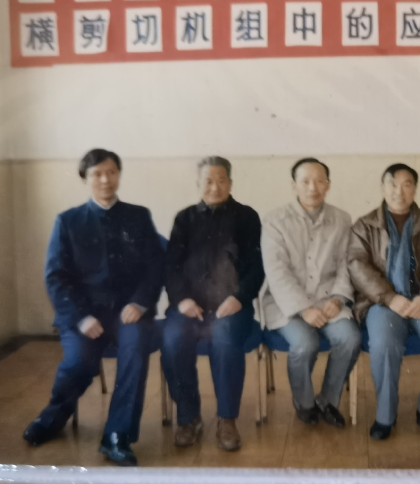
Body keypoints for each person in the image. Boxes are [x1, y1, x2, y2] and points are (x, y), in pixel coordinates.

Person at [22, 149, 163, 466]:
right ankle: (53, 417)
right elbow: (55, 277)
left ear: (118, 175)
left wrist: (140, 302)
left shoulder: (138, 216)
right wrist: (81, 317)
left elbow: (156, 267)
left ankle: (117, 436)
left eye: (111, 172)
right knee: (77, 363)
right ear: (85, 179)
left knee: (135, 352)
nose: (105, 180)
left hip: (129, 314)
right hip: (84, 316)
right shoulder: (68, 221)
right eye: (97, 174)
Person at [348, 163, 420, 441]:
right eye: (392, 184)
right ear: (382, 187)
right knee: (384, 343)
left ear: (415, 189)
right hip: (381, 304)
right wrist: (389, 297)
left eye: (407, 184)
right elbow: (358, 266)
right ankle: (385, 416)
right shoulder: (364, 226)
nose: (399, 191)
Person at [161, 156, 263, 452]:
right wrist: (182, 300)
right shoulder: (184, 218)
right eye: (208, 181)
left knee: (225, 337)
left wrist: (238, 298)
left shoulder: (247, 217)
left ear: (230, 183)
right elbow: (171, 267)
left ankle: (226, 419)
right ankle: (188, 418)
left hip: (231, 306)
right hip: (188, 307)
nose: (215, 187)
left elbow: (257, 266)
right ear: (198, 184)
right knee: (172, 339)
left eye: (221, 180)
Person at [261, 158, 361, 427]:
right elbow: (277, 272)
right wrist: (304, 308)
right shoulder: (274, 220)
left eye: (319, 181)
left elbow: (346, 265)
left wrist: (338, 298)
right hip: (287, 303)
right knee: (305, 344)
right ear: (294, 186)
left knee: (350, 338)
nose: (312, 188)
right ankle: (305, 403)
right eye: (305, 181)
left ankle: (327, 401)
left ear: (328, 185)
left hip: (329, 299)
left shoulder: (342, 219)